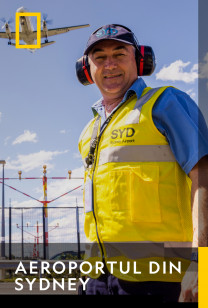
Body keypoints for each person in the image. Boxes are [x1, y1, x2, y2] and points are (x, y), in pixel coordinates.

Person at [77, 24, 208, 301]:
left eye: (120, 54)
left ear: (140, 61)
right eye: (99, 57)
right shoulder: (89, 131)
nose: (109, 64)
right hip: (99, 278)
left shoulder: (165, 104)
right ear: (87, 69)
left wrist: (201, 262)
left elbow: (204, 175)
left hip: (161, 279)